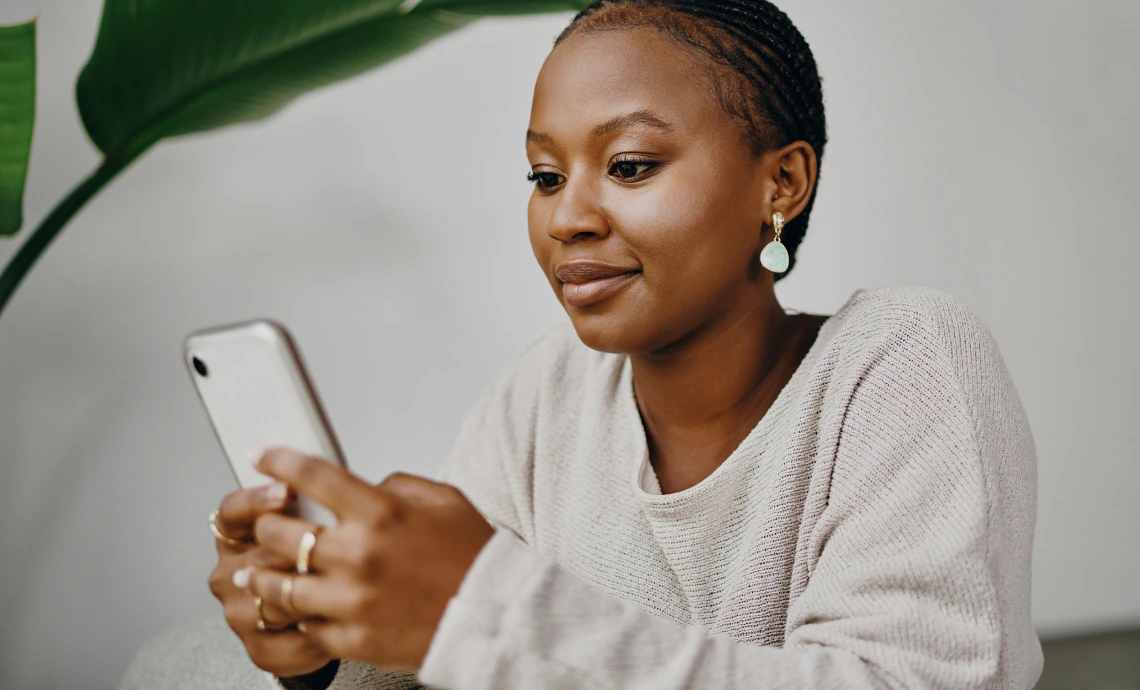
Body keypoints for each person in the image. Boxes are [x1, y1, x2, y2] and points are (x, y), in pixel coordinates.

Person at [120, 1, 1044, 688]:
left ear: (784, 183)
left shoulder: (904, 363)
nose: (567, 216)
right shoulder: (547, 393)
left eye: (630, 165)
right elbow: (460, 661)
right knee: (175, 661)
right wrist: (321, 648)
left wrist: (477, 602)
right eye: (545, 173)